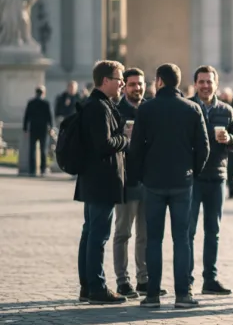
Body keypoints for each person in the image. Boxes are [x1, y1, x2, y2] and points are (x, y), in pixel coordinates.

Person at [129, 63, 210, 309]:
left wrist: (140, 176)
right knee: (182, 240)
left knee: (153, 239)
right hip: (182, 182)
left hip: (153, 182)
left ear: (159, 81)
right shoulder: (192, 108)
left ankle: (152, 294)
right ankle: (183, 294)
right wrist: (193, 171)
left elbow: (136, 149)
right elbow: (204, 147)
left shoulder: (146, 109)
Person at [74, 60, 129, 305]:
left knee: (90, 233)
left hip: (93, 179)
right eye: (119, 79)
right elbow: (104, 144)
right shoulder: (99, 107)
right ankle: (96, 287)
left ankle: (87, 286)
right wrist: (124, 139)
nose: (122, 84)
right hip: (101, 180)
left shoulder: (96, 104)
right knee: (98, 235)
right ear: (105, 80)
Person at [188, 65, 233, 296]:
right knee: (188, 231)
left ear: (216, 84)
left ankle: (210, 279)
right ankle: (186, 280)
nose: (205, 85)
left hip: (217, 177)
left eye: (209, 81)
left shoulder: (226, 111)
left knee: (214, 230)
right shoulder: (187, 107)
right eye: (201, 81)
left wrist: (229, 138)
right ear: (195, 84)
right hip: (191, 178)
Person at [112, 68, 154, 298]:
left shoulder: (150, 108)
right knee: (122, 232)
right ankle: (122, 280)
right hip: (126, 180)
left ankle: (144, 278)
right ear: (124, 86)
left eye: (140, 84)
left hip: (149, 181)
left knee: (145, 234)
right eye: (132, 84)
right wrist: (125, 139)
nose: (137, 88)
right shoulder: (117, 111)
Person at [22, 85, 52, 176]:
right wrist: (51, 127)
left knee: (32, 149)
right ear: (43, 93)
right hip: (43, 129)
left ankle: (32, 169)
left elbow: (26, 116)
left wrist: (25, 129)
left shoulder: (31, 103)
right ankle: (43, 169)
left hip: (33, 128)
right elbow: (49, 117)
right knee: (43, 149)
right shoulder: (46, 103)